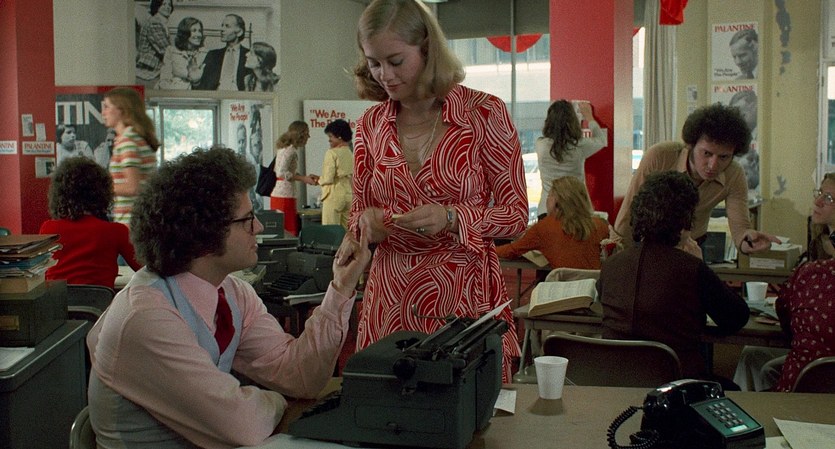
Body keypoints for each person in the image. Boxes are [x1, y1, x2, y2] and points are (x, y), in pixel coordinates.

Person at [86, 146, 370, 448]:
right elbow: (242, 424)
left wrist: (341, 287)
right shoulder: (145, 316)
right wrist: (277, 400)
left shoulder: (233, 293)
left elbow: (300, 376)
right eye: (247, 219)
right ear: (204, 232)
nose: (258, 227)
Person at [335, 0, 528, 382]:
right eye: (374, 63)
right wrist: (364, 225)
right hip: (390, 298)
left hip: (461, 298)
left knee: (463, 407)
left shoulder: (483, 113)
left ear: (427, 50)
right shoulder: (371, 124)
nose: (385, 76)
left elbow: (516, 215)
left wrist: (454, 218)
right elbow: (359, 212)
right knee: (387, 406)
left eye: (395, 61)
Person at [599, 171, 750, 385]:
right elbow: (736, 317)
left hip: (615, 384)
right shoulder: (691, 268)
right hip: (678, 387)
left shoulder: (611, 266)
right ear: (685, 220)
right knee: (735, 390)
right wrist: (701, 265)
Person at [612, 103, 779, 254]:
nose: (713, 165)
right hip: (649, 244)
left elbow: (740, 227)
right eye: (707, 153)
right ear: (691, 145)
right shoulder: (661, 156)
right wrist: (618, 253)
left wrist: (747, 242)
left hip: (692, 245)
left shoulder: (734, 174)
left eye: (723, 157)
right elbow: (629, 211)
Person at [734, 173, 835, 391]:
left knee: (764, 363)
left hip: (804, 381)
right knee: (757, 358)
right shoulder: (815, 253)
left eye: (828, 198)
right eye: (819, 193)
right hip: (814, 371)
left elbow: (786, 319)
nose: (818, 201)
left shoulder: (810, 274)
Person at [39, 157, 141, 289]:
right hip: (100, 302)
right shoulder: (116, 231)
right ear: (103, 193)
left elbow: (40, 273)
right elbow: (145, 269)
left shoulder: (48, 229)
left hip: (56, 302)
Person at [496, 176, 609, 269]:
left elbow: (510, 251)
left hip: (561, 287)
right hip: (593, 287)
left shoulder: (543, 227)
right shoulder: (601, 225)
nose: (547, 199)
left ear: (556, 201)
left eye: (549, 195)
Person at [535, 100, 607, 215]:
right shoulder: (580, 146)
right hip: (576, 209)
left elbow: (558, 142)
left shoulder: (541, 145)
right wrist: (589, 117)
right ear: (573, 122)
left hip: (546, 209)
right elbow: (601, 140)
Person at [102, 87, 160, 227]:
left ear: (122, 109)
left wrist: (100, 188)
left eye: (107, 107)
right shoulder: (134, 138)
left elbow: (132, 187)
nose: (103, 113)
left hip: (131, 222)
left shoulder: (127, 141)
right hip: (141, 219)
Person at [270, 122, 318, 235]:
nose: (308, 137)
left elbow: (283, 170)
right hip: (285, 195)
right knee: (288, 230)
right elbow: (281, 173)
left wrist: (303, 177)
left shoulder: (284, 148)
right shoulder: (290, 151)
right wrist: (303, 179)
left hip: (281, 194)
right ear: (300, 135)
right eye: (307, 133)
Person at [195, 14, 251, 91]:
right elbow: (203, 86)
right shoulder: (213, 55)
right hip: (216, 95)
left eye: (227, 26)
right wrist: (195, 81)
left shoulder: (249, 55)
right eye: (222, 25)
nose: (222, 29)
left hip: (239, 96)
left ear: (239, 32)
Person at [319, 119, 354, 228]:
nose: (329, 140)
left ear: (339, 136)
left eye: (331, 136)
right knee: (346, 230)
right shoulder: (350, 152)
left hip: (333, 195)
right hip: (348, 194)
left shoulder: (331, 153)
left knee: (330, 230)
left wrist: (318, 180)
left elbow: (328, 178)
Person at [156, 17, 207, 90]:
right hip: (171, 91)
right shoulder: (171, 51)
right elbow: (164, 78)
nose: (199, 35)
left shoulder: (205, 53)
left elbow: (205, 84)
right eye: (194, 31)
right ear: (185, 33)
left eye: (200, 31)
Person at [135, 0, 173, 88]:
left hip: (156, 67)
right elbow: (166, 49)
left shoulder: (161, 23)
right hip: (149, 69)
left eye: (169, 5)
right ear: (157, 6)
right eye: (164, 4)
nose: (167, 7)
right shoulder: (154, 23)